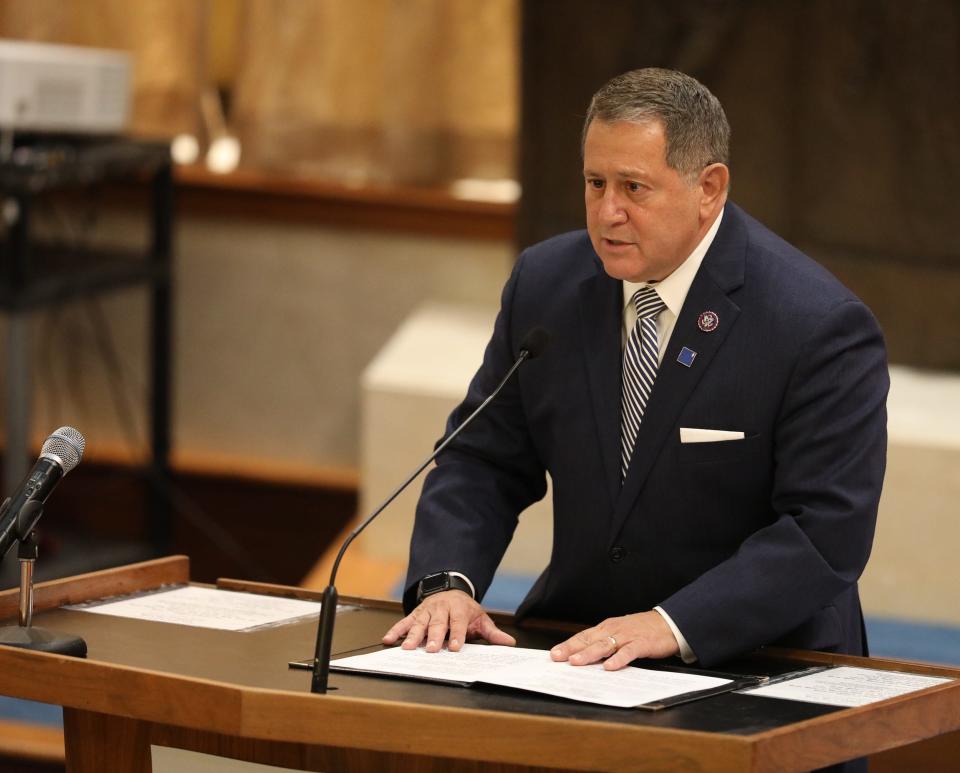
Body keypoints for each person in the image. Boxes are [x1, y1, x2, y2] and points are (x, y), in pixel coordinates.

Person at [383, 68, 888, 673]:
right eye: (595, 183)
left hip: (763, 657)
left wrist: (670, 625)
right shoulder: (547, 286)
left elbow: (824, 533)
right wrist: (447, 584)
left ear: (710, 188)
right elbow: (483, 459)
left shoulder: (816, 325)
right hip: (580, 647)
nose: (607, 213)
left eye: (634, 187)